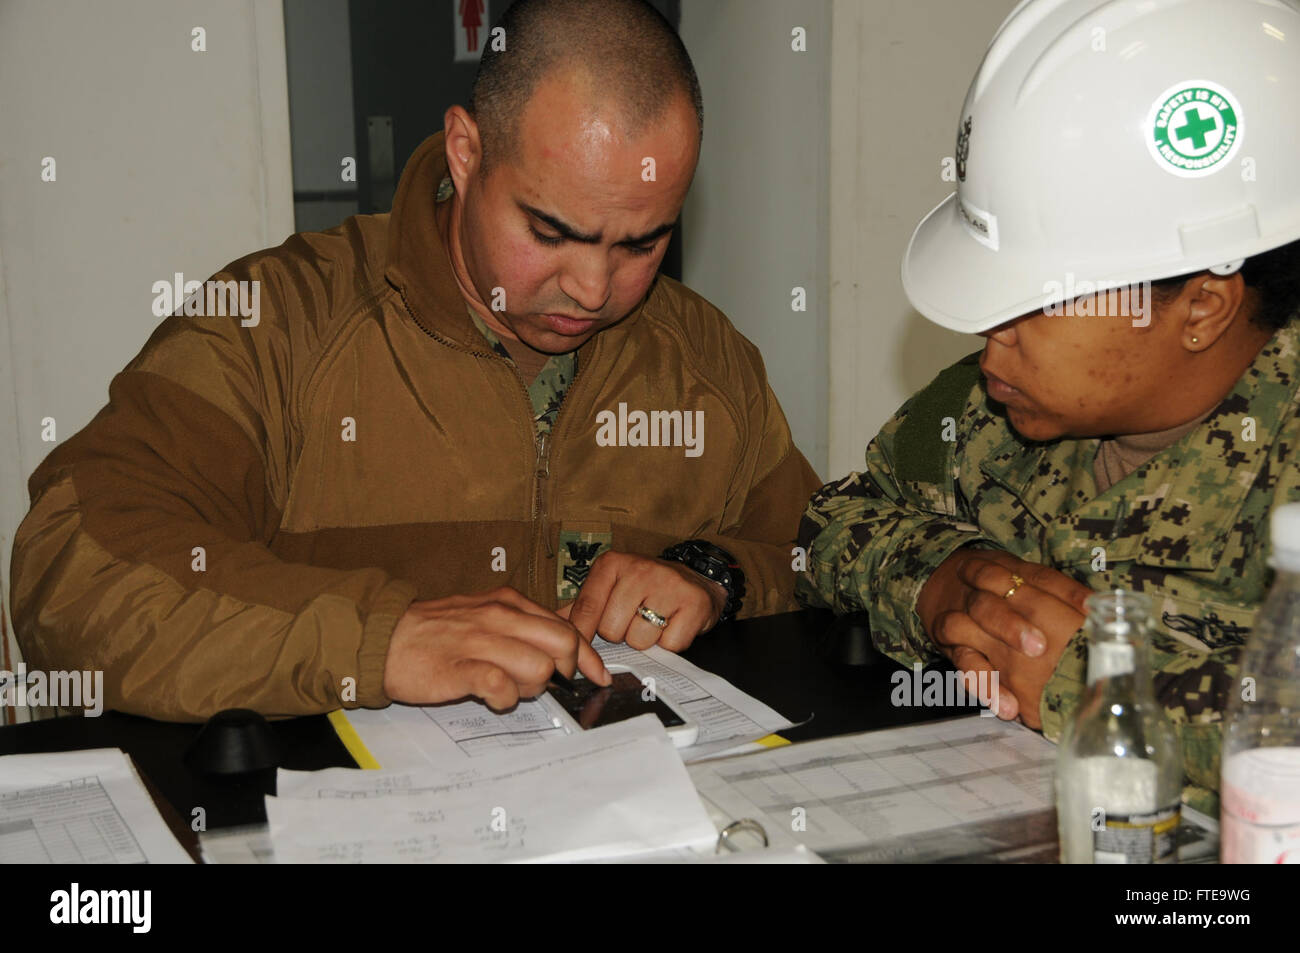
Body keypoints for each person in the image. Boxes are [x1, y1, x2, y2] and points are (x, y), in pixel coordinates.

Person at [10, 0, 820, 721]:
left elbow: (824, 553)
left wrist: (718, 575)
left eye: (642, 242)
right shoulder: (278, 326)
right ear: (465, 153)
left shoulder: (704, 360)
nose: (593, 285)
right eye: (550, 231)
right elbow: (68, 569)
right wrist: (378, 639)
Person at [797, 0, 1300, 815]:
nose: (992, 338)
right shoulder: (993, 405)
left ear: (1202, 306)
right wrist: (940, 583)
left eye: (1036, 300)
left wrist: (1097, 683)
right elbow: (834, 521)